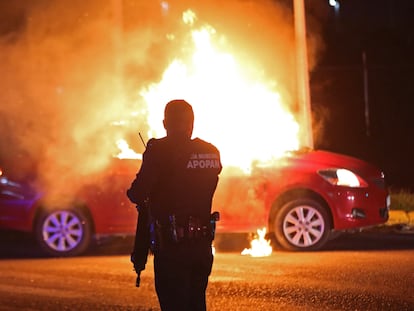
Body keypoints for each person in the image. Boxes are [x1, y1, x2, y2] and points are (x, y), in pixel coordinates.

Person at [127, 99, 222, 311]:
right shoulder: (211, 152)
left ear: (165, 123)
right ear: (192, 123)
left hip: (172, 249)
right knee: (197, 303)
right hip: (202, 248)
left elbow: (137, 193)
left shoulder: (158, 150)